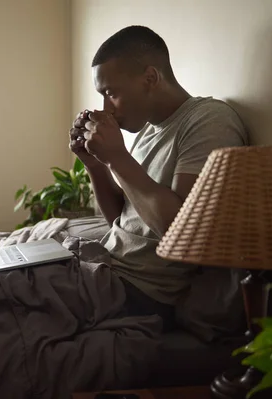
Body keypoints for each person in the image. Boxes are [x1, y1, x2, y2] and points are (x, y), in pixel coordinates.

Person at [70, 26, 248, 331]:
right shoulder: (149, 130)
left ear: (150, 78)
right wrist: (96, 165)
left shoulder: (209, 120)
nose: (105, 108)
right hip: (108, 268)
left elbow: (180, 232)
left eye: (111, 93)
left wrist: (117, 157)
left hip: (143, 292)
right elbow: (123, 221)